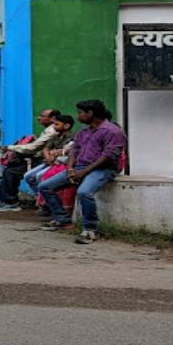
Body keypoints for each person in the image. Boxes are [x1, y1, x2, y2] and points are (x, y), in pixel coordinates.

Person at [38, 99, 126, 244]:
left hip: (103, 169)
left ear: (90, 113)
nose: (77, 116)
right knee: (45, 187)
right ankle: (62, 219)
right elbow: (75, 150)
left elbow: (108, 156)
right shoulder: (83, 131)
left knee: (84, 192)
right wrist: (71, 168)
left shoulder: (112, 131)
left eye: (80, 113)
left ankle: (90, 230)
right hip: (79, 168)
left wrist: (84, 172)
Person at [0, 108, 61, 212]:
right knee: (11, 170)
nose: (39, 118)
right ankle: (7, 201)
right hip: (39, 159)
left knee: (12, 172)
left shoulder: (52, 131)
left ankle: (11, 202)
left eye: (42, 116)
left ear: (53, 118)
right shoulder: (49, 129)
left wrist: (11, 147)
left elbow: (34, 147)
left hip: (45, 160)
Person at [25, 113, 77, 202]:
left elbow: (66, 152)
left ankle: (46, 202)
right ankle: (43, 199)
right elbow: (46, 148)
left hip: (61, 163)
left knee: (39, 176)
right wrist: (48, 157)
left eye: (56, 124)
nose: (54, 126)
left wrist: (54, 154)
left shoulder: (73, 137)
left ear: (67, 126)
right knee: (28, 176)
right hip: (50, 161)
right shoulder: (55, 136)